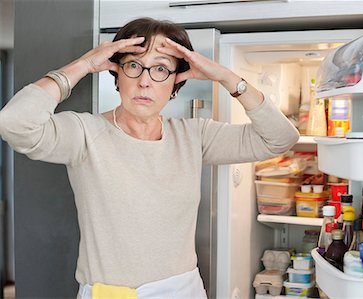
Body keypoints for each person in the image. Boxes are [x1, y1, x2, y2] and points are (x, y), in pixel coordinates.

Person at [0, 18, 299, 298]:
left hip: (182, 290)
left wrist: (224, 77)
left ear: (174, 84)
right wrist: (84, 64)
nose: (145, 82)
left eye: (160, 69)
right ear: (117, 73)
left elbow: (280, 138)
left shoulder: (194, 135)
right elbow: (14, 123)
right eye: (133, 66)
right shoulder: (85, 134)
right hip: (111, 293)